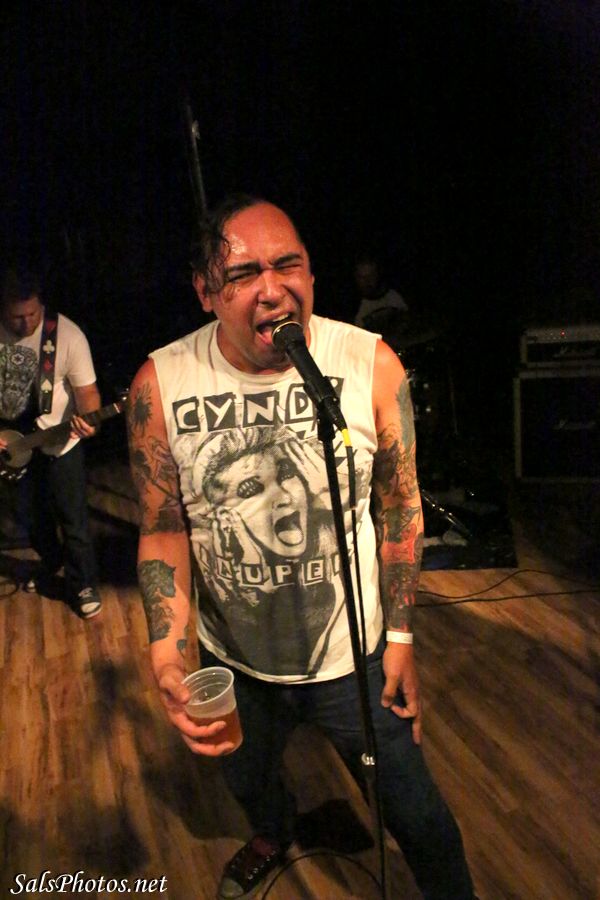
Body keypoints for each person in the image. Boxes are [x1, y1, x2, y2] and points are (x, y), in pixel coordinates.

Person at [127, 195, 476, 899]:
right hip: (235, 658)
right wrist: (166, 651)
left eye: (288, 265)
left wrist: (402, 637)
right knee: (248, 777)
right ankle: (273, 831)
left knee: (417, 813)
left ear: (312, 275)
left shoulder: (369, 364)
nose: (273, 288)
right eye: (243, 273)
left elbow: (400, 504)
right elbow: (164, 526)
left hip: (356, 656)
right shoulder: (160, 385)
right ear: (204, 291)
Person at [0, 268, 102, 618]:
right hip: (12, 445)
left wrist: (89, 422)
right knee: (29, 517)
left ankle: (82, 583)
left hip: (61, 443)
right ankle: (51, 562)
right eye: (17, 316)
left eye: (33, 313)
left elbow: (88, 393)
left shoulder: (67, 335)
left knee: (73, 519)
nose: (27, 322)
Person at [353, 253, 409, 351]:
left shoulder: (393, 297)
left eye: (371, 276)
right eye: (362, 277)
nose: (367, 281)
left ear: (377, 275)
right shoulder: (352, 307)